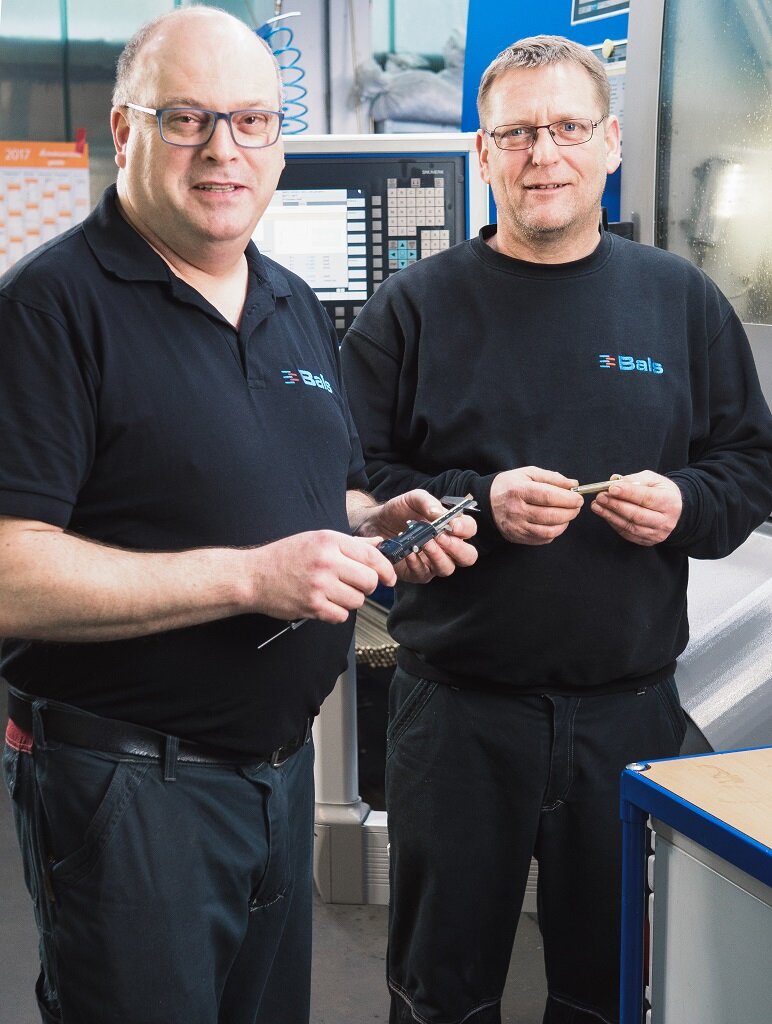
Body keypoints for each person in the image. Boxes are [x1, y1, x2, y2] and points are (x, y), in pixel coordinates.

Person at [0, 8, 478, 1024]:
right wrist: (251, 577)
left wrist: (372, 520)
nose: (224, 150)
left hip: (276, 777)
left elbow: (314, 491)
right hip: (129, 790)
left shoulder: (289, 301)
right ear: (126, 132)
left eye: (252, 120)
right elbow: (9, 571)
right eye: (187, 119)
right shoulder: (48, 309)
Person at [341, 34, 772, 1024]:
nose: (544, 153)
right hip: (456, 717)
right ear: (483, 151)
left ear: (610, 143)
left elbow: (749, 468)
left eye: (569, 128)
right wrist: (478, 502)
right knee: (439, 993)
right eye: (517, 133)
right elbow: (350, 481)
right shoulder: (412, 309)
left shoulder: (681, 303)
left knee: (608, 990)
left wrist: (685, 504)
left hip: (628, 717)